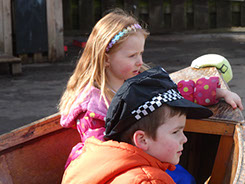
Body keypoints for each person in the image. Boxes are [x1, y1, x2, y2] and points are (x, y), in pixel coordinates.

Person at [58, 8, 243, 183]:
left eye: (141, 54)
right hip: (117, 167)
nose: (140, 62)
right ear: (106, 58)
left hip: (145, 153)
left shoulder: (136, 79)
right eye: (132, 56)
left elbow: (172, 92)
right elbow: (104, 155)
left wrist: (216, 91)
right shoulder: (91, 106)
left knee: (185, 178)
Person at [61, 66, 214, 183]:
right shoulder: (150, 180)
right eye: (176, 132)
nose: (185, 139)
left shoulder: (86, 160)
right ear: (142, 140)